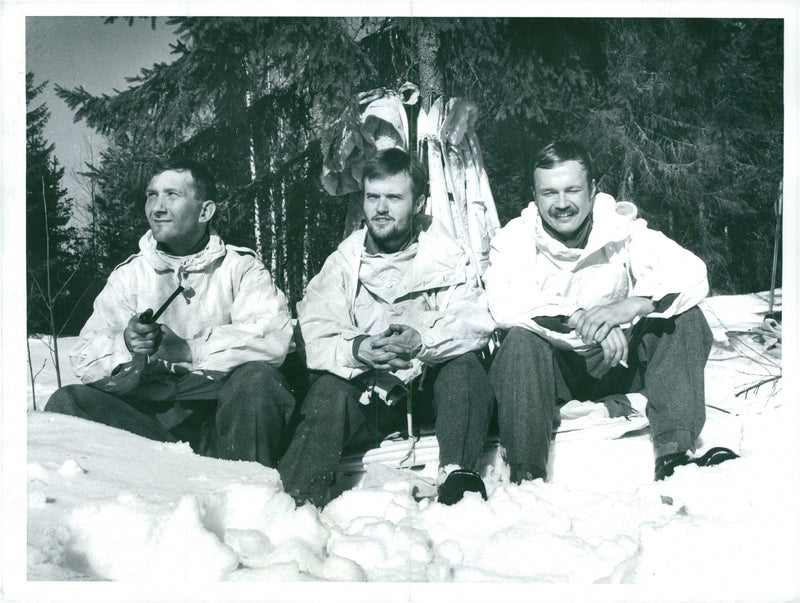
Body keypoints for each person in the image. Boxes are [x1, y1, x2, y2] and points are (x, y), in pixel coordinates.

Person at [484, 139, 737, 484]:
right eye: (549, 193)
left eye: (572, 190)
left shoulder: (621, 229)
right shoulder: (514, 238)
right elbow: (505, 303)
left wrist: (628, 307)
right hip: (553, 374)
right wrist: (584, 320)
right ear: (535, 194)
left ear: (592, 190)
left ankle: (674, 452)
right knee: (518, 341)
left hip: (618, 362)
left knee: (686, 318)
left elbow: (691, 272)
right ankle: (527, 472)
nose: (561, 204)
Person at [278, 147, 496, 507]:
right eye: (372, 197)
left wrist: (422, 341)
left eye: (394, 198)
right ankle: (298, 499)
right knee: (328, 389)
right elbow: (314, 330)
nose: (380, 209)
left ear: (419, 202)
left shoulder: (448, 256)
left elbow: (474, 321)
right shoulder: (344, 262)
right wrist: (357, 348)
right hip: (370, 400)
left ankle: (459, 474)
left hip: (432, 397)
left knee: (464, 367)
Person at [45, 159, 296, 468]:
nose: (157, 208)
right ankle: (132, 499)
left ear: (205, 211)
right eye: (152, 195)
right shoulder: (130, 275)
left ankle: (249, 499)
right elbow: (83, 357)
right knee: (67, 402)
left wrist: (191, 350)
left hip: (223, 420)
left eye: (171, 195)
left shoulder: (240, 268)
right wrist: (126, 344)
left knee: (258, 380)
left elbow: (273, 337)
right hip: (149, 424)